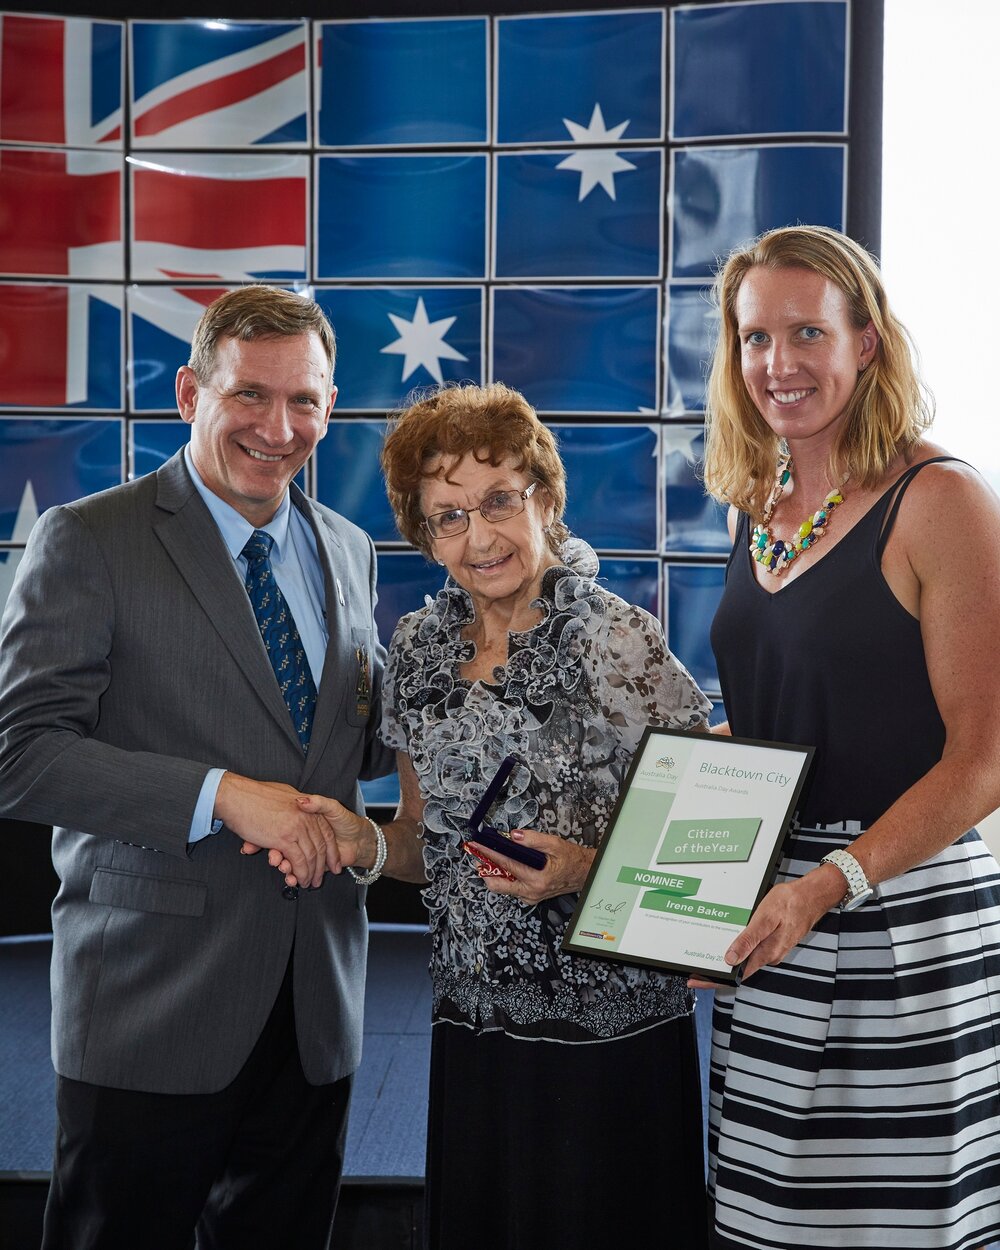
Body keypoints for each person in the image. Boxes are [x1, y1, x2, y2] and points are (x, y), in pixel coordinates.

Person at [0, 285, 392, 1249]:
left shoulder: (347, 546)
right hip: (150, 1001)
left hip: (316, 1003)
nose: (279, 426)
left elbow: (353, 736)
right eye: (250, 396)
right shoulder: (90, 539)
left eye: (305, 400)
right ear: (188, 393)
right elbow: (21, 755)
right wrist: (223, 798)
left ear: (331, 406)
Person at [284, 381, 713, 1249]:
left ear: (545, 500)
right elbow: (423, 842)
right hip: (473, 1023)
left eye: (498, 501)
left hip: (611, 1032)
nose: (479, 537)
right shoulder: (416, 647)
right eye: (448, 516)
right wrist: (361, 841)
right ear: (423, 532)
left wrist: (584, 867)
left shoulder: (616, 638)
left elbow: (708, 842)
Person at [698, 224, 1000, 1249]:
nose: (776, 364)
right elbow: (784, 717)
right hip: (772, 922)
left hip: (898, 928)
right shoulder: (757, 506)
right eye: (752, 339)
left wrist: (828, 882)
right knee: (768, 1224)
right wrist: (687, 799)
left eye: (805, 333)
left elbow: (982, 760)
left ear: (864, 341)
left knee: (893, 1227)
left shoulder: (941, 498)